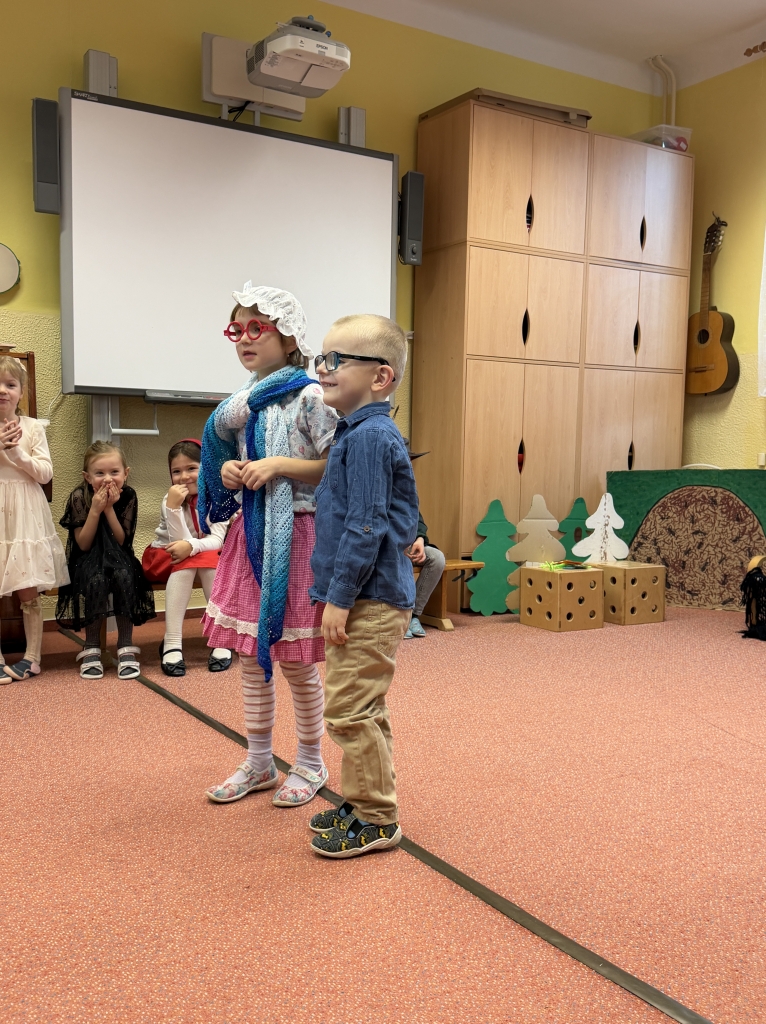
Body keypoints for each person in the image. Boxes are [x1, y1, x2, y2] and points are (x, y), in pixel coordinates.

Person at [199, 283, 338, 809]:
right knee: (251, 659)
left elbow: (338, 463)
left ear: (289, 337)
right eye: (237, 329)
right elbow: (231, 458)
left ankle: (310, 761)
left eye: (257, 328)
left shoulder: (311, 396)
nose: (244, 338)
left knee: (296, 659)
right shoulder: (241, 404)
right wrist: (230, 472)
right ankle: (259, 760)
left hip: (299, 535)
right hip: (251, 533)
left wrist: (279, 465)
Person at [307, 314, 419, 859]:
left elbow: (367, 524)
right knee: (362, 706)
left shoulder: (371, 436)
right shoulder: (356, 432)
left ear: (381, 376)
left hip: (367, 599)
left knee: (348, 710)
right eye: (321, 359)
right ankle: (362, 800)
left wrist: (340, 597)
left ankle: (377, 818)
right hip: (364, 595)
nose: (322, 369)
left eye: (336, 360)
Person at [56, 441, 155, 679]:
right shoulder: (79, 496)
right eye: (99, 473)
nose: (108, 479)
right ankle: (91, 646)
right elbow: (83, 544)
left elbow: (122, 541)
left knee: (124, 576)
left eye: (114, 472)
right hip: (86, 558)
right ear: (87, 477)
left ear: (125, 473)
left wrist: (109, 509)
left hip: (119, 556)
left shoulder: (128, 495)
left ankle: (125, 645)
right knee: (97, 579)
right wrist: (95, 510)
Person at [0, 356, 69, 682]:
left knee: (27, 586)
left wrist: (17, 454)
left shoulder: (32, 428)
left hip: (26, 513)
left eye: (10, 384)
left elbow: (44, 474)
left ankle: (32, 657)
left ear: (21, 392)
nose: (3, 390)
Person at [148, 438, 231, 676]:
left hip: (200, 554)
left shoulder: (218, 497)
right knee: (191, 561)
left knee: (206, 561)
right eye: (176, 471)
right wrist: (174, 508)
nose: (184, 477)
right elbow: (178, 544)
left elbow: (217, 539)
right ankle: (173, 641)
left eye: (191, 468)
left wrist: (192, 546)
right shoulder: (170, 500)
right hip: (166, 556)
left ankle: (219, 637)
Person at [404, 510, 446, 638]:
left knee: (436, 558)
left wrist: (420, 539)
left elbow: (418, 521)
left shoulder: (408, 497)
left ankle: (413, 614)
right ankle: (399, 617)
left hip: (411, 544)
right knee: (397, 559)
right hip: (386, 545)